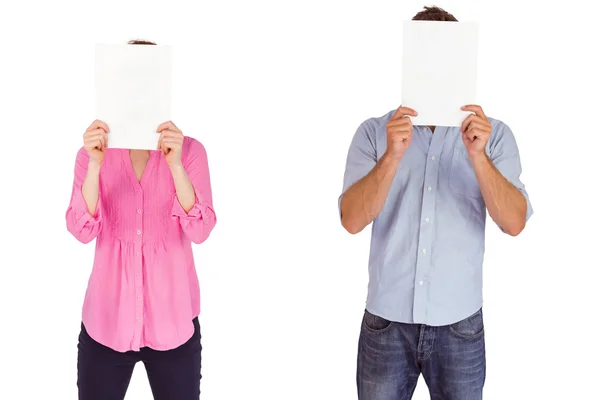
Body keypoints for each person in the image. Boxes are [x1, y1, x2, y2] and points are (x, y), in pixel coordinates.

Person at [338, 7, 533, 400]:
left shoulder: (494, 138)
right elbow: (351, 220)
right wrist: (392, 156)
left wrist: (478, 157)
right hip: (385, 324)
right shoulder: (374, 134)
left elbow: (514, 223)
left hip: (459, 326)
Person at [66, 40, 216, 399]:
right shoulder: (91, 155)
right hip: (107, 322)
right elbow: (81, 229)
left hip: (172, 322)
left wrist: (176, 165)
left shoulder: (190, 151)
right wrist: (96, 165)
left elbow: (201, 228)